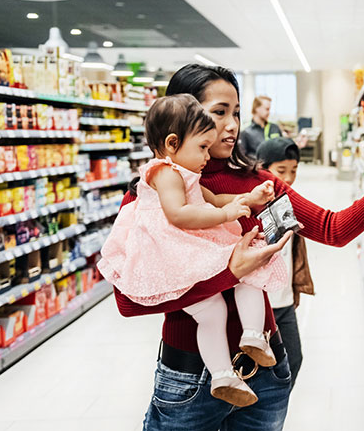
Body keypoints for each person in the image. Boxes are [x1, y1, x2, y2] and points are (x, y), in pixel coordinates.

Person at [111, 63, 364, 431]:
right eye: (218, 112)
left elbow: (333, 228)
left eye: (236, 112)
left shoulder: (259, 186)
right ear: (182, 115)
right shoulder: (152, 196)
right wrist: (230, 272)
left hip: (265, 373)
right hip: (189, 378)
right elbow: (128, 301)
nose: (231, 125)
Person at [99, 94, 286, 408]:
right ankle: (240, 351)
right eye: (202, 147)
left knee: (217, 308)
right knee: (239, 280)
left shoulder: (185, 173)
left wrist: (250, 198)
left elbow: (212, 200)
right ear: (172, 144)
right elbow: (179, 214)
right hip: (173, 254)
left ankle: (232, 362)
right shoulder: (165, 172)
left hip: (185, 252)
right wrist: (227, 216)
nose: (206, 156)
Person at [255, 137, 312, 389]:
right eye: (281, 171)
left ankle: (273, 408)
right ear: (262, 168)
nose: (288, 179)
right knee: (264, 366)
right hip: (260, 304)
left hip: (284, 301)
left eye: (294, 170)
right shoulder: (252, 205)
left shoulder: (288, 202)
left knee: (294, 359)